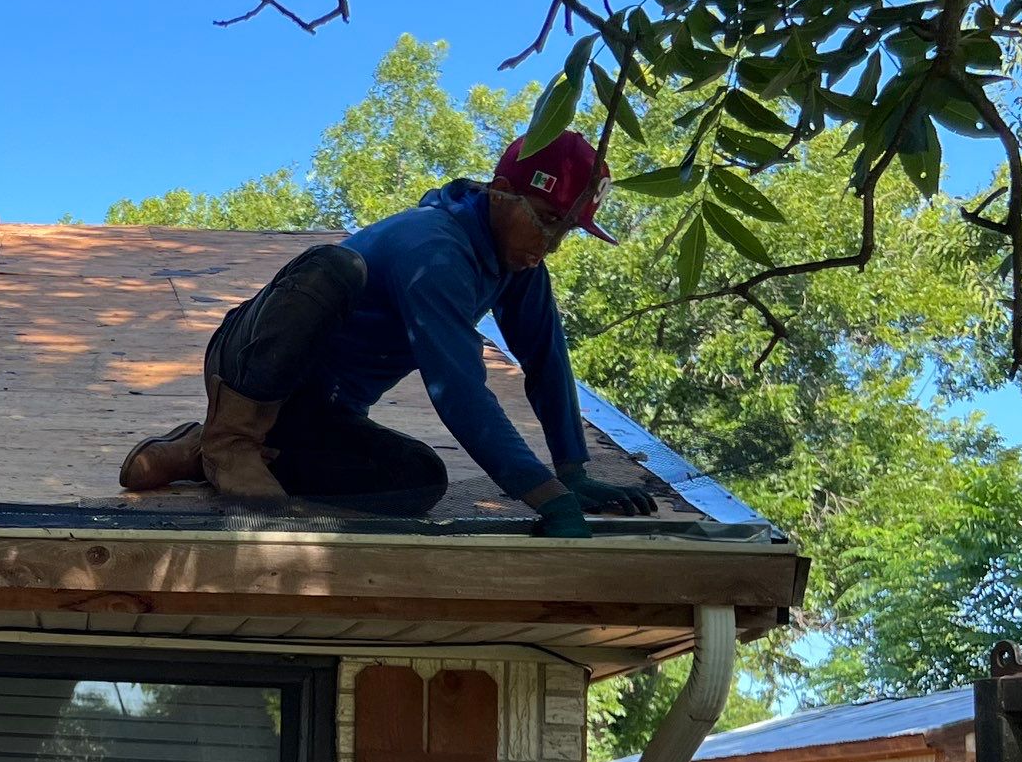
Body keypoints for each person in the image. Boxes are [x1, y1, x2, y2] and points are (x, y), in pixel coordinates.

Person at [119, 131, 660, 539]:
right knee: (334, 268)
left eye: (567, 229)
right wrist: (548, 501)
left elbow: (547, 363)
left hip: (321, 414)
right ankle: (232, 436)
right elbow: (461, 391)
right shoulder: (434, 249)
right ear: (500, 194)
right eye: (546, 219)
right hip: (249, 362)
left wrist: (573, 471)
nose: (553, 243)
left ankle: (205, 452)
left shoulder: (520, 268)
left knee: (418, 482)